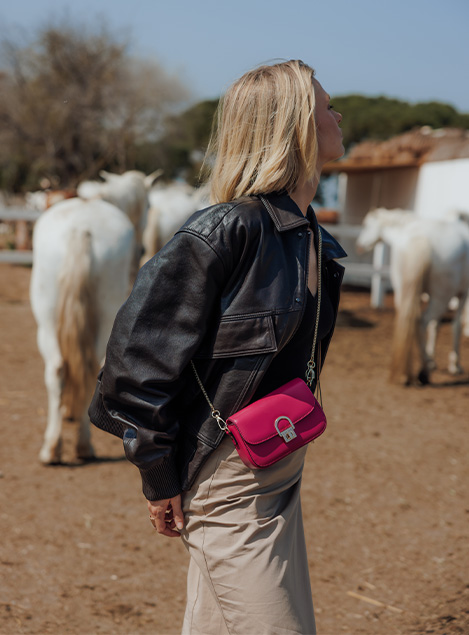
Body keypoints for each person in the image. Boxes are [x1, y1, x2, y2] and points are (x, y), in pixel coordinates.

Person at [89, 59, 347, 634]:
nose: (338, 117)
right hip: (229, 479)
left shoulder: (310, 236)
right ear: (297, 125)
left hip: (280, 460)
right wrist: (160, 475)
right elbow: (134, 365)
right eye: (328, 106)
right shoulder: (224, 231)